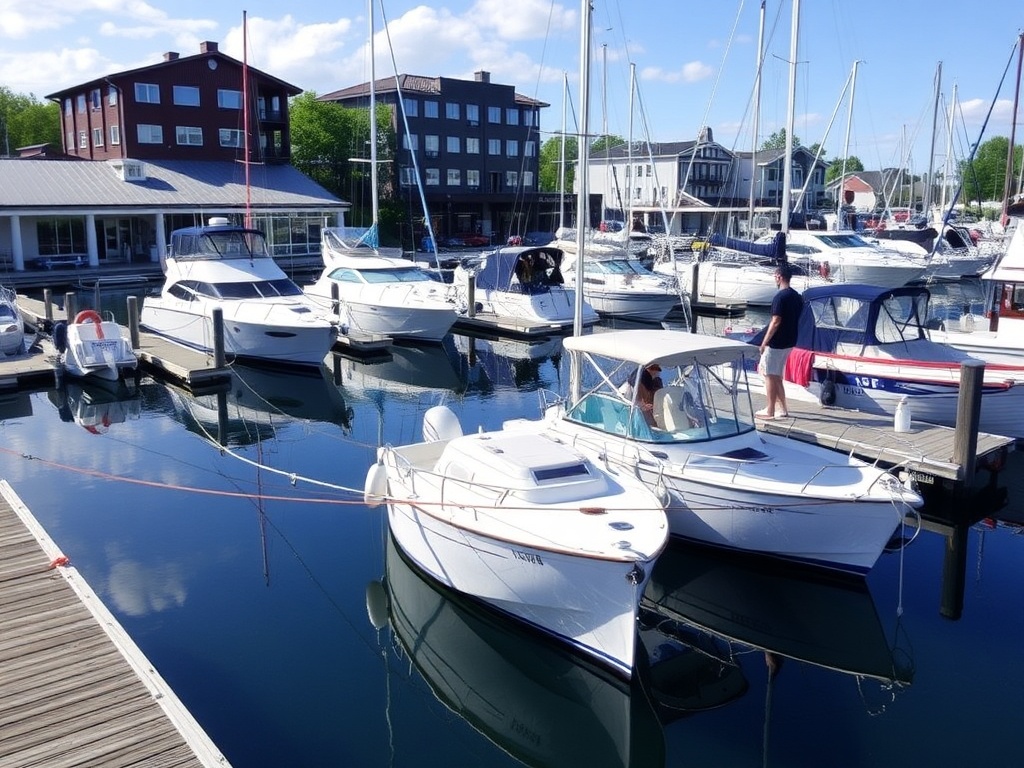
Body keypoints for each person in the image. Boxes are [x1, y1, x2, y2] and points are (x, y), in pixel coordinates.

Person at [757, 262, 803, 419]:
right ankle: (782, 409)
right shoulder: (797, 296)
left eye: (776, 276)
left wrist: (764, 342)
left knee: (770, 375)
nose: (775, 279)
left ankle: (770, 410)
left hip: (777, 343)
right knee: (776, 376)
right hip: (790, 341)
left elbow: (775, 321)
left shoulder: (780, 297)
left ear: (780, 277)